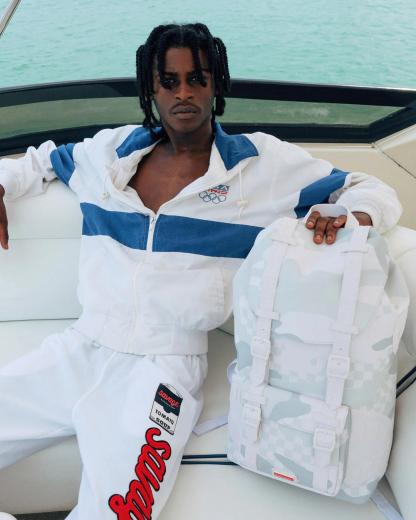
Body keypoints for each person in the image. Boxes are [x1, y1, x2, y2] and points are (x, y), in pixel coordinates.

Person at [0, 23, 402, 520]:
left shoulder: (260, 165)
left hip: (163, 369)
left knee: (120, 513)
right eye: (169, 82)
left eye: (197, 79)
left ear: (217, 84)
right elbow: (42, 161)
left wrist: (352, 215)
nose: (184, 93)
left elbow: (368, 187)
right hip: (80, 347)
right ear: (151, 90)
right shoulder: (109, 154)